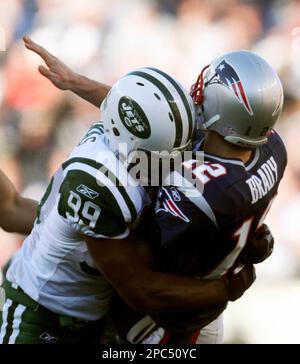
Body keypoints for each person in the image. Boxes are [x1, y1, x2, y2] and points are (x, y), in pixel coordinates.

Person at [22, 37, 283, 344]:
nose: (198, 93)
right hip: (200, 306)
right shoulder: (270, 147)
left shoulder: (195, 190)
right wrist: (76, 83)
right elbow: (155, 119)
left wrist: (225, 289)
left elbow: (140, 284)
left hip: (168, 322)